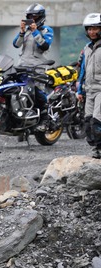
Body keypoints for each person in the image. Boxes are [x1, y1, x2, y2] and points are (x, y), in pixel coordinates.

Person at [12, 3, 54, 129]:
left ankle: (45, 118)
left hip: (37, 67)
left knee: (36, 91)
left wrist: (35, 31)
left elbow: (44, 46)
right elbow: (16, 45)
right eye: (30, 17)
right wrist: (21, 32)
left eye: (34, 17)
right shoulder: (26, 32)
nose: (32, 19)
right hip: (22, 65)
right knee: (17, 90)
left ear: (40, 17)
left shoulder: (46, 30)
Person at [77, 13, 101, 159]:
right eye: (89, 29)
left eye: (95, 28)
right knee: (88, 121)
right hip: (89, 90)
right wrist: (80, 90)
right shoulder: (87, 48)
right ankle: (96, 148)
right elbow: (83, 71)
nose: (92, 32)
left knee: (98, 120)